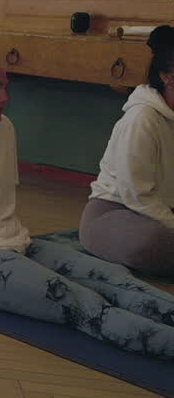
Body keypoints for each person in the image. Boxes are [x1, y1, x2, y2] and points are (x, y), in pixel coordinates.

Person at [0, 56, 174, 360]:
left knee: (115, 277)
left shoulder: (4, 128)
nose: (5, 98)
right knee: (82, 301)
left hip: (14, 241)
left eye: (5, 87)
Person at [80, 25, 174, 278]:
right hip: (115, 213)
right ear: (166, 76)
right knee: (152, 243)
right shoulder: (142, 118)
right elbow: (137, 196)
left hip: (160, 213)